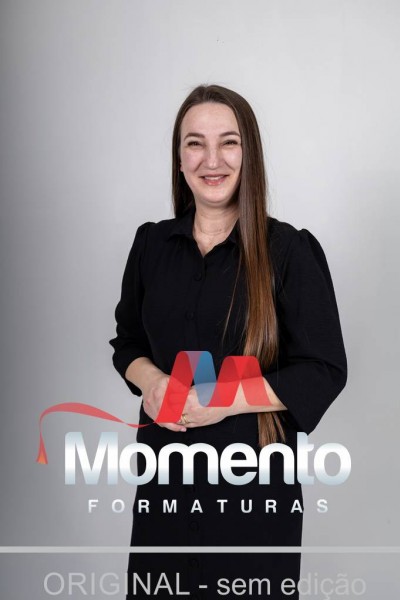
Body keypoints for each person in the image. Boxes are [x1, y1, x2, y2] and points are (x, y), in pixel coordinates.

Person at [109, 84, 347, 600]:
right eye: (195, 143)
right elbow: (127, 343)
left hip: (254, 500)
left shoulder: (289, 252)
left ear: (249, 154)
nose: (211, 159)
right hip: (164, 492)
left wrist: (223, 400)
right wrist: (151, 381)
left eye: (229, 142)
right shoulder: (151, 245)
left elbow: (323, 369)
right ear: (179, 159)